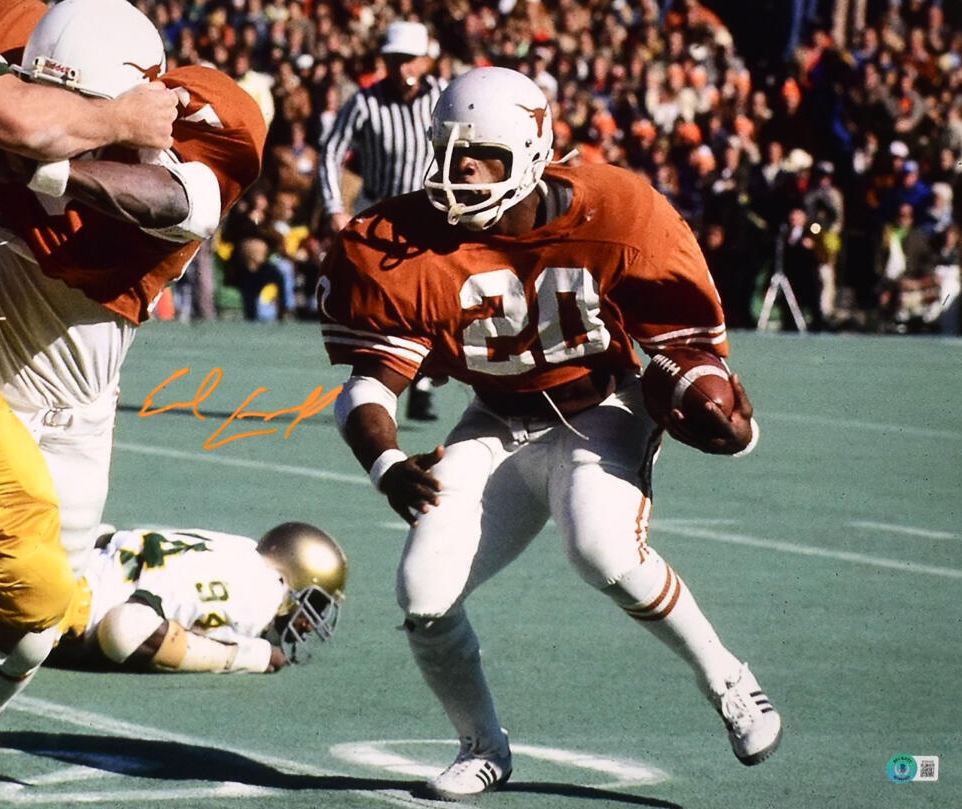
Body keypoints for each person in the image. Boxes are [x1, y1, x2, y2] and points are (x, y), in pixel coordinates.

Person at [319, 67, 782, 801]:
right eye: (450, 151)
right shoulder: (399, 243)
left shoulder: (620, 210)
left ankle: (729, 679)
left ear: (532, 154)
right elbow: (366, 389)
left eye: (484, 156)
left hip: (601, 407)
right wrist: (384, 461)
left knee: (601, 547)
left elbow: (688, 351)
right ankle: (481, 745)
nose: (459, 169)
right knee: (423, 592)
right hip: (495, 421)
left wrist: (716, 407)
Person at [0, 0, 266, 790]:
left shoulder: (205, 119)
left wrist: (49, 163)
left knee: (35, 629)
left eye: (92, 109)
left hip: (74, 420)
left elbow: (177, 203)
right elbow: (18, 104)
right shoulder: (12, 28)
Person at [318, 20, 445, 422]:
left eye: (409, 59)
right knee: (388, 306)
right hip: (381, 219)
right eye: (394, 59)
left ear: (425, 61)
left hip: (431, 215)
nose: (401, 67)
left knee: (430, 303)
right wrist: (335, 206)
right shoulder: (365, 101)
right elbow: (330, 152)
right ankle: (386, 376)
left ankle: (423, 380)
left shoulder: (442, 98)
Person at [51, 523, 348, 674]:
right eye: (314, 604)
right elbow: (125, 630)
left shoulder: (241, 548)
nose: (310, 623)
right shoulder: (262, 595)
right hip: (62, 605)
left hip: (63, 558)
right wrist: (241, 657)